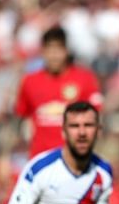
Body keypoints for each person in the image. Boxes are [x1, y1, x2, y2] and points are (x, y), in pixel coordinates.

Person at [15, 25, 103, 157]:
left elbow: (97, 117)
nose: (54, 56)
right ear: (43, 52)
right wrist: (6, 155)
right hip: (40, 159)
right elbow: (20, 118)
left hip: (75, 161)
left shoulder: (85, 79)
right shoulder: (30, 81)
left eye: (58, 50)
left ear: (66, 51)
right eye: (50, 50)